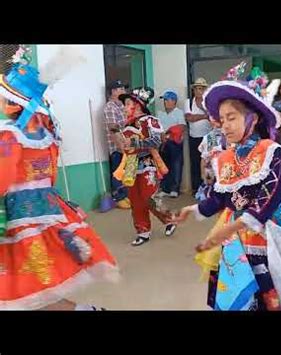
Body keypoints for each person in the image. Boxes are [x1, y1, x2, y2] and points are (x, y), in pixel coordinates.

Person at [170, 65, 281, 311]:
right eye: (222, 119)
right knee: (239, 293)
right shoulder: (225, 158)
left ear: (253, 118)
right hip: (235, 238)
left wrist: (231, 227)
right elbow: (220, 196)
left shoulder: (271, 152)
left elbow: (268, 199)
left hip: (270, 234)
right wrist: (194, 209)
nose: (225, 125)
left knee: (272, 292)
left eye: (232, 118)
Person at [0, 45, 119, 310]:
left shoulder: (10, 135)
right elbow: (49, 176)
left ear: (12, 103)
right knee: (41, 286)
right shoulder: (45, 136)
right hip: (46, 212)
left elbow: (2, 178)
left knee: (29, 291)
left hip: (19, 219)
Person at [118, 87, 177, 245]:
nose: (125, 106)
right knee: (135, 200)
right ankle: (143, 231)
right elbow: (125, 147)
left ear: (137, 105)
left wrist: (134, 142)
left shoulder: (149, 120)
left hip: (147, 162)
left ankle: (169, 219)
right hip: (131, 164)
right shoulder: (126, 124)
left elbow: (157, 140)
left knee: (150, 196)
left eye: (127, 103)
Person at [103, 80, 131, 209]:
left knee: (128, 173)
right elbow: (113, 128)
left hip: (128, 145)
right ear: (113, 91)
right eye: (121, 89)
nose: (124, 92)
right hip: (118, 147)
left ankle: (127, 196)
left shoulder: (122, 106)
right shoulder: (110, 107)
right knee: (118, 173)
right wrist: (121, 147)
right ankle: (119, 198)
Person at [185, 77, 212, 195]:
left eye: (201, 89)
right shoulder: (189, 102)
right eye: (197, 89)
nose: (198, 91)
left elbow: (212, 117)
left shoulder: (208, 102)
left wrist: (202, 107)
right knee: (195, 163)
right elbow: (189, 118)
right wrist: (204, 116)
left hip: (208, 137)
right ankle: (196, 188)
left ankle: (208, 187)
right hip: (194, 137)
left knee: (208, 163)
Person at [157, 89, 186, 198]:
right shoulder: (160, 114)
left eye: (167, 100)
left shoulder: (178, 112)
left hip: (174, 143)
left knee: (176, 165)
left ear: (174, 101)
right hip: (163, 143)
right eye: (164, 100)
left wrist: (170, 131)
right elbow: (157, 128)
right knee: (164, 166)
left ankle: (175, 189)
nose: (165, 102)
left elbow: (182, 127)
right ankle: (165, 188)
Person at [195, 118, 225, 202]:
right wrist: (203, 175)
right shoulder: (208, 138)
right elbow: (204, 158)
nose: (217, 125)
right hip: (211, 174)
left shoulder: (231, 136)